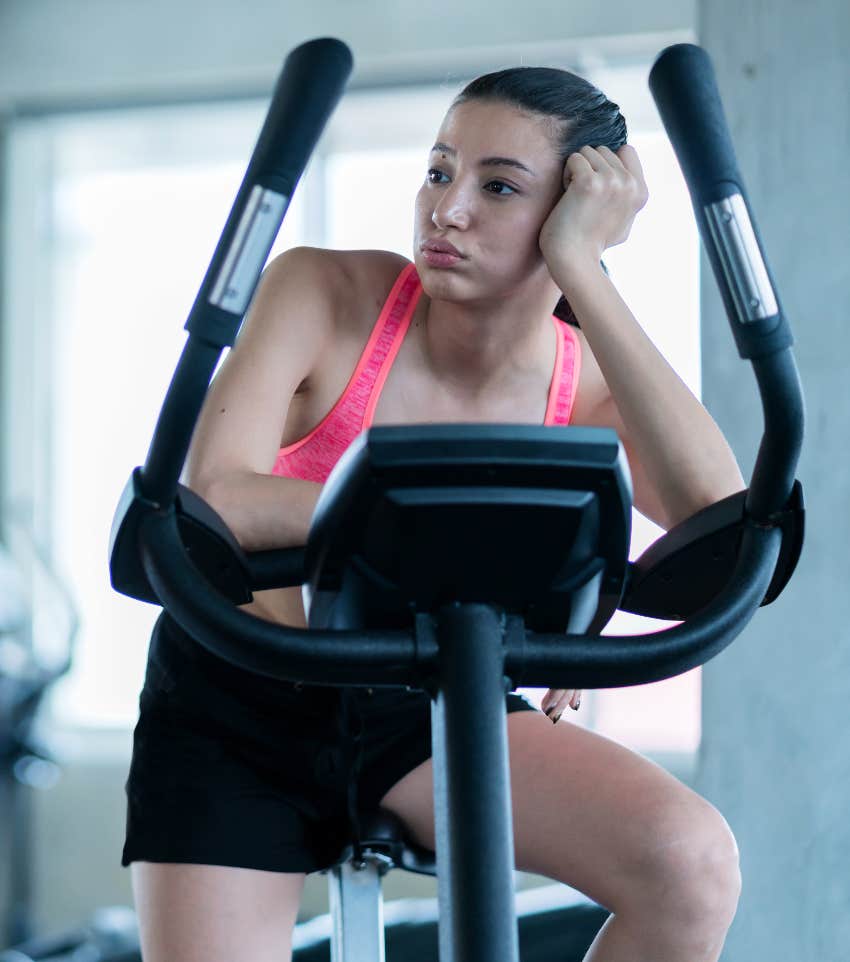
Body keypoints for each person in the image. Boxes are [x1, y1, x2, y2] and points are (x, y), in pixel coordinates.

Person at [123, 66, 746, 962]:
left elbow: (718, 520)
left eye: (499, 187)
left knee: (691, 867)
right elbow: (218, 497)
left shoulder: (584, 379)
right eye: (440, 170)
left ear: (572, 212)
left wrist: (585, 270)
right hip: (235, 696)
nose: (446, 209)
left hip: (428, 704)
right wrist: (492, 559)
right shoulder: (324, 295)